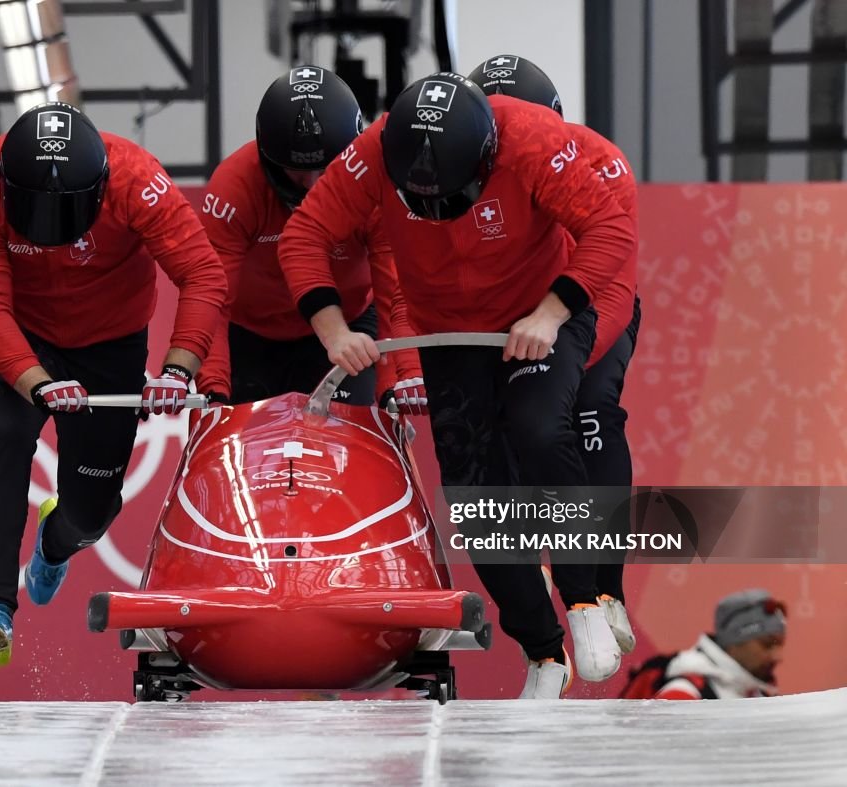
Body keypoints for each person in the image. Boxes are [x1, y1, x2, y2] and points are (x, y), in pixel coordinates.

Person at [278, 71, 636, 698]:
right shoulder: (373, 152)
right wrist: (334, 330)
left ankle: (585, 599)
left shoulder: (531, 142)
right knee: (473, 490)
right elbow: (304, 235)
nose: (439, 212)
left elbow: (611, 232)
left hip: (539, 312)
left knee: (539, 426)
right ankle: (542, 651)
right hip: (450, 330)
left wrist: (550, 315)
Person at [0, 102, 226, 667]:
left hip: (108, 341)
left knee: (91, 509)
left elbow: (202, 273)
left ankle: (56, 543)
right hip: (20, 334)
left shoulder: (137, 179)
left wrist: (177, 368)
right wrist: (35, 381)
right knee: (2, 429)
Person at [467, 55, 640, 655]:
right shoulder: (466, 168)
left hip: (587, 308)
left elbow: (613, 280)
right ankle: (535, 584)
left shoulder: (602, 162)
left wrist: (557, 368)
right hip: (513, 317)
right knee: (502, 432)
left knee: (586, 413)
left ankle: (605, 587)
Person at [195, 65, 422, 408]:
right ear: (269, 160)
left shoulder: (374, 184)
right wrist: (213, 389)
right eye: (299, 171)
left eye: (329, 168)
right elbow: (211, 295)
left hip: (349, 328)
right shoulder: (234, 188)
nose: (315, 184)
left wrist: (397, 379)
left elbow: (396, 292)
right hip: (252, 338)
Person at [621, 589, 786, 699]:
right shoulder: (683, 695)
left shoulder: (755, 694)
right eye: (767, 644)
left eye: (780, 644)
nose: (778, 656)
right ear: (734, 643)